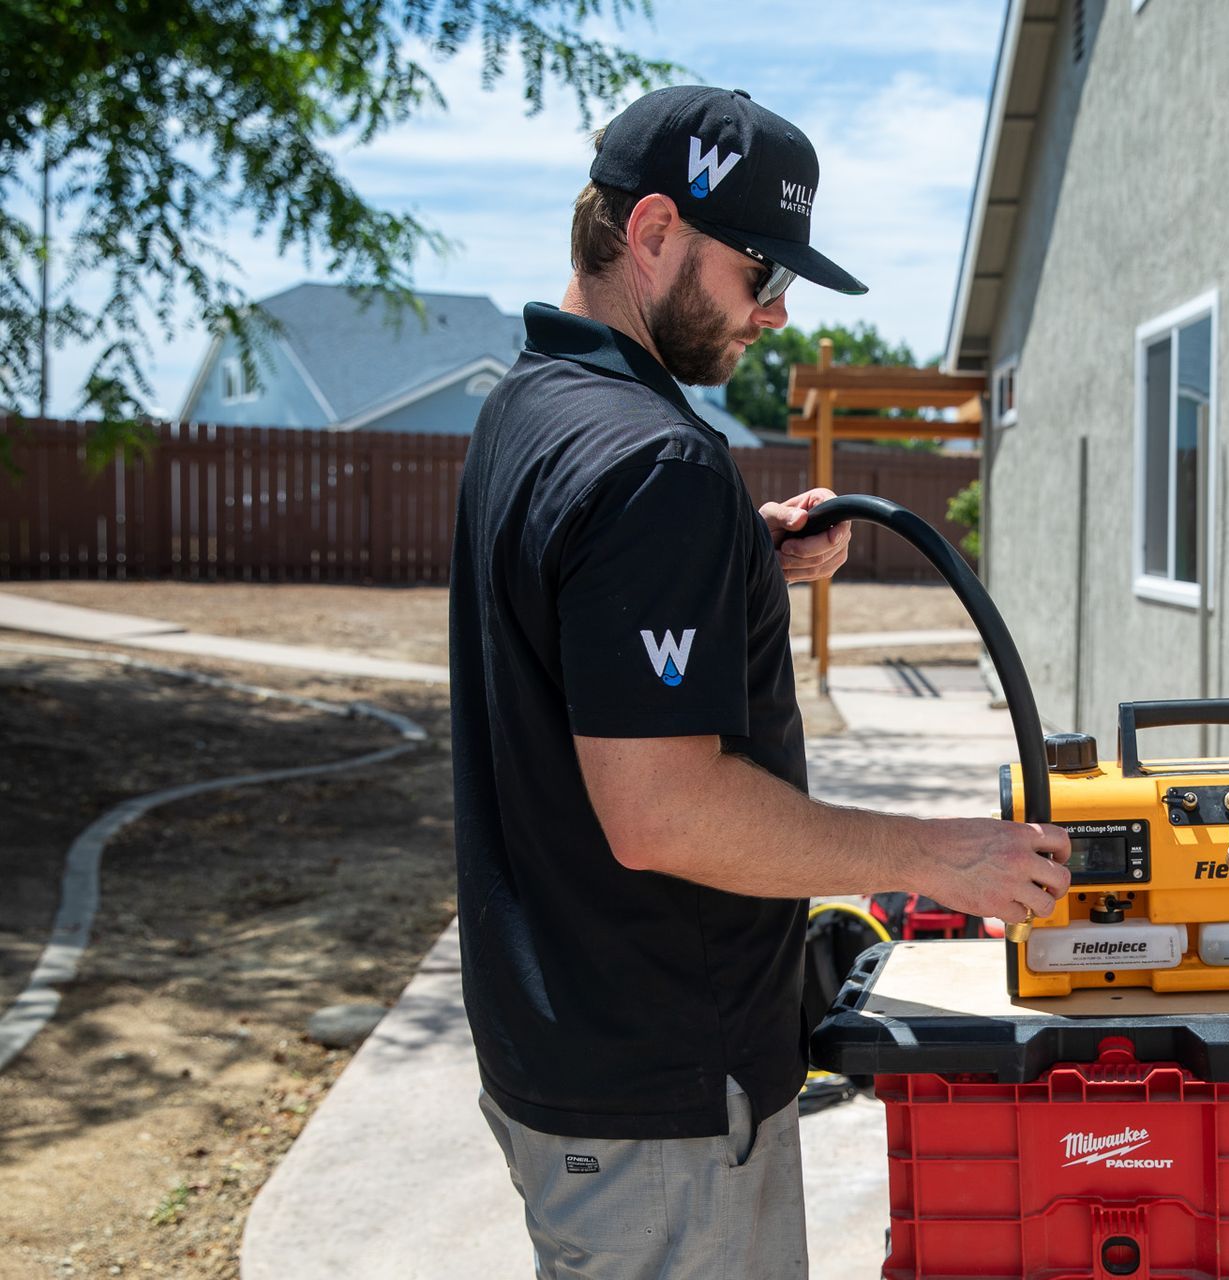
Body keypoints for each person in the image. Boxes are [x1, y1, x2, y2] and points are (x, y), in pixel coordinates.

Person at [447, 85, 1071, 1279]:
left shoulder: (531, 411)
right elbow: (661, 810)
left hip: (563, 1046)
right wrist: (943, 855)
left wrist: (733, 563)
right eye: (758, 273)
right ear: (653, 234)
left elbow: (570, 625)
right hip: (664, 1099)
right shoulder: (653, 464)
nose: (777, 313)